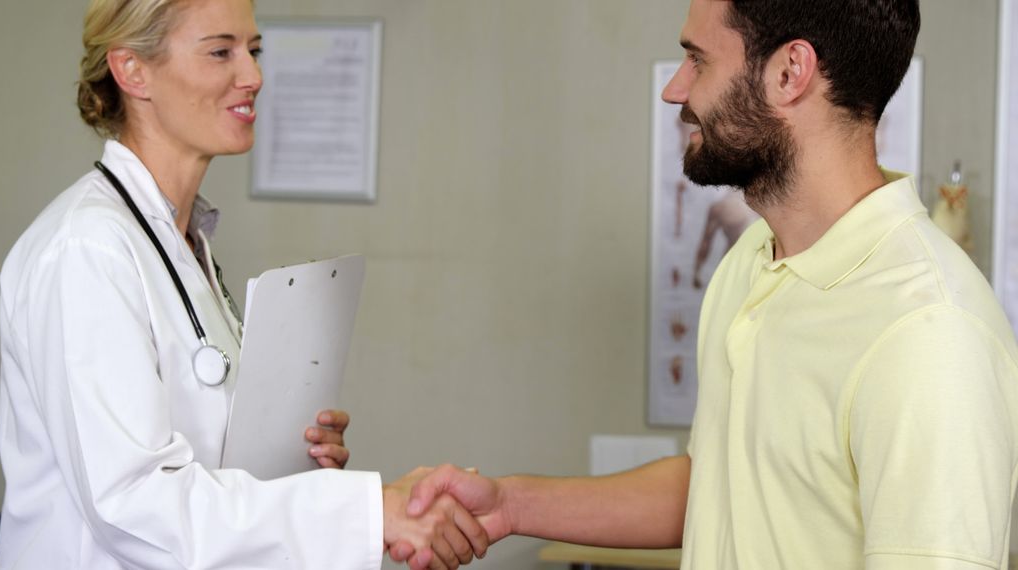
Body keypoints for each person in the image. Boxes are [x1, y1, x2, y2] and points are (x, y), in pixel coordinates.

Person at [403, 0, 1018, 568]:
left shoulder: (931, 334)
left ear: (789, 72)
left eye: (697, 59)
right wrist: (511, 505)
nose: (675, 89)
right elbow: (722, 482)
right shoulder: (753, 259)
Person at [0, 0, 486, 568]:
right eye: (220, 51)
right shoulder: (85, 250)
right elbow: (133, 506)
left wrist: (292, 460)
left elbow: (203, 456)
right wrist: (368, 512)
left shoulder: (185, 241)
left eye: (253, 51)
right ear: (132, 70)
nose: (253, 76)